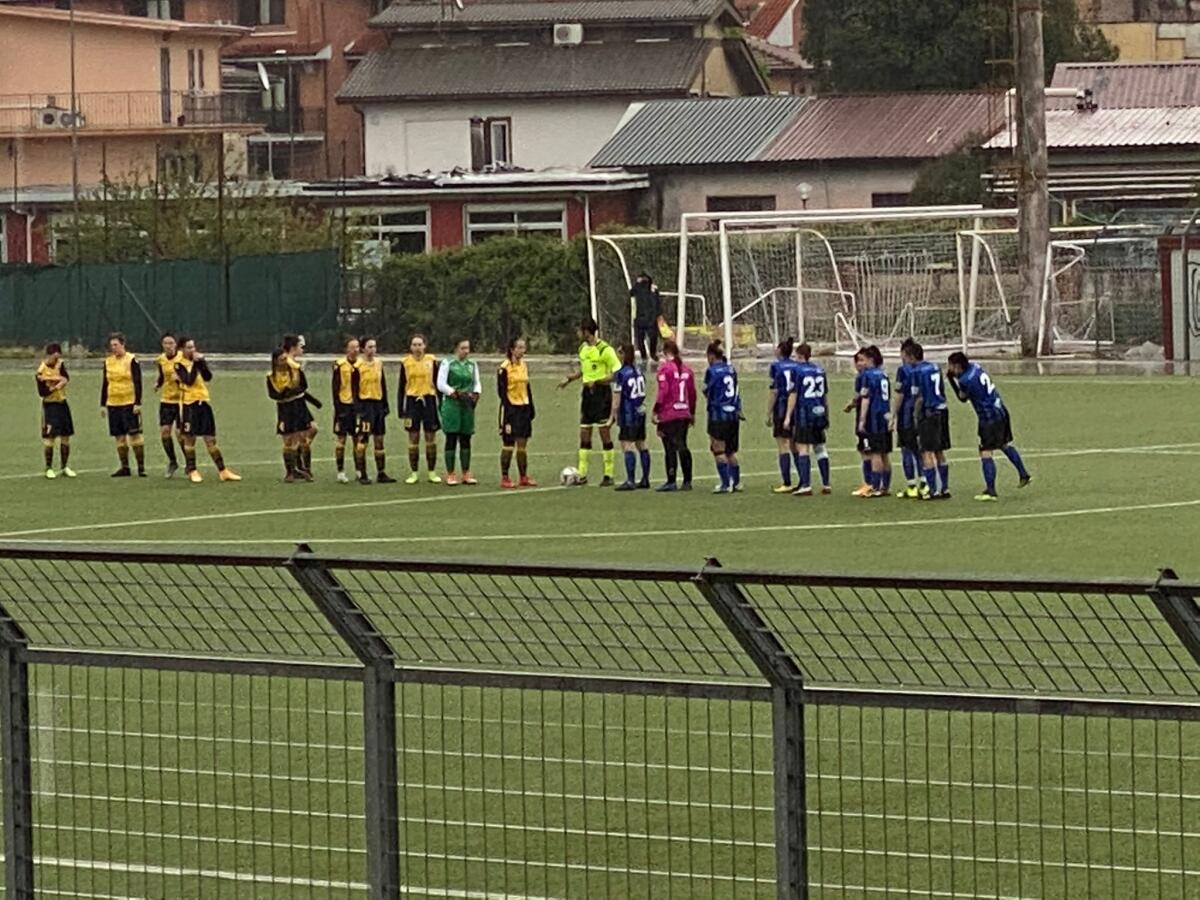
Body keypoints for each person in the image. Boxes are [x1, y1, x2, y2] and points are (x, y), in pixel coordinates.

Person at [947, 351, 1031, 501]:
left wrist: (952, 381)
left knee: (985, 451)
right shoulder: (976, 367)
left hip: (988, 417)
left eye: (951, 366)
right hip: (1000, 410)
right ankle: (1023, 474)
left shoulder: (966, 380)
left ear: (958, 366)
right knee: (1004, 444)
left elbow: (962, 398)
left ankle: (991, 491)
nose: (950, 369)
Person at [557, 317, 620, 487]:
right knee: (584, 433)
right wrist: (570, 379)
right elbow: (583, 370)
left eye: (580, 331)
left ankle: (608, 474)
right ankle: (582, 474)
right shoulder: (583, 349)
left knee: (604, 433)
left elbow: (616, 374)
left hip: (601, 395)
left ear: (586, 331)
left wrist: (598, 381)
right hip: (587, 395)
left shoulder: (605, 350)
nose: (578, 334)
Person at [174, 337, 240, 483]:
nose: (192, 350)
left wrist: (202, 363)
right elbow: (189, 380)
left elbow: (208, 377)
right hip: (188, 405)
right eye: (189, 347)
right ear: (182, 349)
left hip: (203, 402)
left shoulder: (197, 362)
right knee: (189, 439)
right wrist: (196, 364)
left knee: (210, 439)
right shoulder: (179, 364)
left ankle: (223, 470)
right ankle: (193, 470)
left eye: (193, 347)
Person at [785, 343, 831, 496]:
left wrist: (787, 417)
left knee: (803, 448)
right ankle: (826, 483)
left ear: (799, 355)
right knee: (820, 448)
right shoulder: (820, 370)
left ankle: (806, 485)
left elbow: (794, 394)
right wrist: (827, 414)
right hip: (819, 411)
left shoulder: (796, 370)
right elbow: (824, 395)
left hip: (804, 413)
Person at [100, 332, 146, 478]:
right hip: (113, 403)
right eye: (112, 345)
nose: (114, 348)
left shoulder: (132, 360)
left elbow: (138, 382)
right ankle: (124, 467)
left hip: (129, 402)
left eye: (116, 345)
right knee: (119, 436)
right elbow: (105, 383)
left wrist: (138, 402)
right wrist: (103, 404)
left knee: (134, 435)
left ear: (123, 345)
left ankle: (141, 467)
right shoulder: (108, 362)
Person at [909, 341, 951, 500]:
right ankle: (945, 488)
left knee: (926, 450)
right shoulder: (935, 367)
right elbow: (941, 390)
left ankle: (932, 490)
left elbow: (918, 397)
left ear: (911, 357)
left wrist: (915, 416)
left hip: (928, 412)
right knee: (939, 450)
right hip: (942, 409)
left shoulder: (916, 371)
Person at [652, 338, 695, 491]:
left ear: (665, 352)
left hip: (669, 413)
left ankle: (671, 481)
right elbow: (692, 394)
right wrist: (692, 413)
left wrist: (656, 409)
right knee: (682, 444)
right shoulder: (687, 370)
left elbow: (663, 391)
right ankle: (687, 480)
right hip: (684, 411)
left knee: (670, 447)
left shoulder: (665, 369)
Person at [398, 334, 442, 484]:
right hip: (412, 402)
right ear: (410, 347)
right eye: (414, 345)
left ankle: (431, 471)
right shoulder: (405, 363)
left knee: (431, 437)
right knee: (413, 437)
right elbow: (400, 387)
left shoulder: (432, 361)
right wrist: (401, 409)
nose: (417, 348)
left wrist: (441, 404)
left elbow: (438, 383)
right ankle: (414, 472)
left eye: (420, 344)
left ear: (425, 346)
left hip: (428, 401)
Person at [437, 338, 481, 485]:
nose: (466, 351)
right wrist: (454, 393)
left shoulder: (472, 364)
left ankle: (466, 473)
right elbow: (441, 384)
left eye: (468, 348)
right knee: (451, 437)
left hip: (466, 405)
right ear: (456, 349)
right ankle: (450, 473)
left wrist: (475, 394)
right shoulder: (447, 363)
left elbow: (476, 382)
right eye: (463, 348)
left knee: (466, 437)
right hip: (452, 404)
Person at [352, 337, 394, 484]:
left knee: (379, 439)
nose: (372, 350)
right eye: (369, 347)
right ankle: (362, 473)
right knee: (363, 439)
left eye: (374, 347)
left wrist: (385, 404)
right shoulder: (357, 366)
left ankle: (381, 473)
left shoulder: (378, 364)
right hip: (365, 405)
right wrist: (358, 410)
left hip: (378, 404)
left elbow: (383, 384)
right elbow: (354, 389)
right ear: (363, 349)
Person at [267, 347, 312, 482]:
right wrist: (283, 394)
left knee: (302, 438)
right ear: (275, 361)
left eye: (285, 359)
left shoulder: (295, 370)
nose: (284, 362)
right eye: (281, 360)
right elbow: (272, 394)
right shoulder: (271, 376)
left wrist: (292, 391)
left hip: (298, 405)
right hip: (284, 408)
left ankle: (304, 468)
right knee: (287, 440)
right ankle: (290, 472)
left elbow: (304, 386)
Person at [704, 339, 743, 494]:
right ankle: (737, 483)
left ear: (712, 356)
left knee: (718, 450)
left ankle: (726, 484)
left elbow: (707, 391)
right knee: (730, 452)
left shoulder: (712, 371)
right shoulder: (731, 369)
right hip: (733, 414)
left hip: (718, 414)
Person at [497, 337, 536, 489]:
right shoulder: (504, 368)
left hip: (524, 408)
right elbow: (501, 392)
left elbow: (527, 387)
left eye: (523, 347)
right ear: (512, 349)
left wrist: (531, 407)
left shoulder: (524, 366)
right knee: (508, 444)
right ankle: (505, 477)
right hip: (511, 409)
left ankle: (523, 476)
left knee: (522, 444)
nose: (522, 350)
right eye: (519, 348)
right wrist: (506, 416)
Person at [612, 343, 651, 491]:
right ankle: (645, 478)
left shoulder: (621, 373)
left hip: (628, 413)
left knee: (626, 444)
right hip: (640, 411)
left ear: (623, 354)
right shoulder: (639, 371)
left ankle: (630, 480)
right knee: (642, 443)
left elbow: (617, 397)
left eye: (619, 352)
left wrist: (613, 416)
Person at [856, 345, 892, 498]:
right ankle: (885, 487)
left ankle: (875, 487)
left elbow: (866, 398)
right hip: (885, 415)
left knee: (875, 453)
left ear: (871, 359)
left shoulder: (868, 375)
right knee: (884, 454)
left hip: (874, 417)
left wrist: (862, 420)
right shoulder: (884, 375)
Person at [35, 343, 76, 479]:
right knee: (50, 437)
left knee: (66, 435)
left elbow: (66, 378)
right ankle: (49, 468)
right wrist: (56, 386)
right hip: (50, 406)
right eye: (54, 358)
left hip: (62, 403)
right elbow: (43, 393)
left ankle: (64, 467)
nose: (56, 360)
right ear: (48, 355)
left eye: (58, 357)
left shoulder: (60, 364)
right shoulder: (41, 371)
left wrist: (52, 380)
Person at [768, 337, 801, 493]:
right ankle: (803, 480)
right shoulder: (796, 365)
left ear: (780, 351)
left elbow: (774, 391)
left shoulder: (776, 366)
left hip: (781, 407)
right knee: (795, 444)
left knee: (783, 445)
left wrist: (768, 412)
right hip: (795, 408)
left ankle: (786, 482)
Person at [893, 339, 923, 499]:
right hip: (922, 415)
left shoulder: (903, 370)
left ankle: (911, 486)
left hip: (906, 415)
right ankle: (924, 484)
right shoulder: (926, 368)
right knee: (920, 450)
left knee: (906, 450)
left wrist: (893, 415)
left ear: (907, 354)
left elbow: (900, 394)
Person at [331, 337, 362, 484]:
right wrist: (337, 409)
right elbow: (335, 388)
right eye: (352, 347)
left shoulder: (362, 365)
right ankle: (341, 471)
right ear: (346, 349)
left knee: (358, 439)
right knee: (341, 439)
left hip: (358, 406)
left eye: (357, 347)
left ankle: (359, 470)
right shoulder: (339, 365)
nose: (355, 350)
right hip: (343, 406)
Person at [844, 349, 874, 497]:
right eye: (858, 361)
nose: (860, 364)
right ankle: (873, 483)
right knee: (867, 451)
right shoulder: (876, 374)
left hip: (867, 419)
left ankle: (869, 484)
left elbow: (861, 398)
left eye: (862, 360)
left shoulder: (864, 377)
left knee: (867, 452)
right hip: (872, 418)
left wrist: (851, 405)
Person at [154, 331, 184, 478]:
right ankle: (172, 462)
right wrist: (158, 384)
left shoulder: (183, 358)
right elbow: (162, 375)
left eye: (171, 343)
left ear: (176, 345)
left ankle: (190, 463)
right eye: (165, 343)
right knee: (165, 432)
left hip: (182, 400)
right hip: (166, 400)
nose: (168, 346)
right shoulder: (161, 359)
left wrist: (180, 379)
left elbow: (191, 378)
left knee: (180, 435)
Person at [630, 273, 662, 366]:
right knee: (640, 340)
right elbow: (631, 293)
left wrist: (658, 314)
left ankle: (652, 354)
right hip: (640, 318)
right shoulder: (638, 288)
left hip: (650, 318)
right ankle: (644, 356)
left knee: (652, 338)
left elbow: (657, 303)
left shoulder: (653, 289)